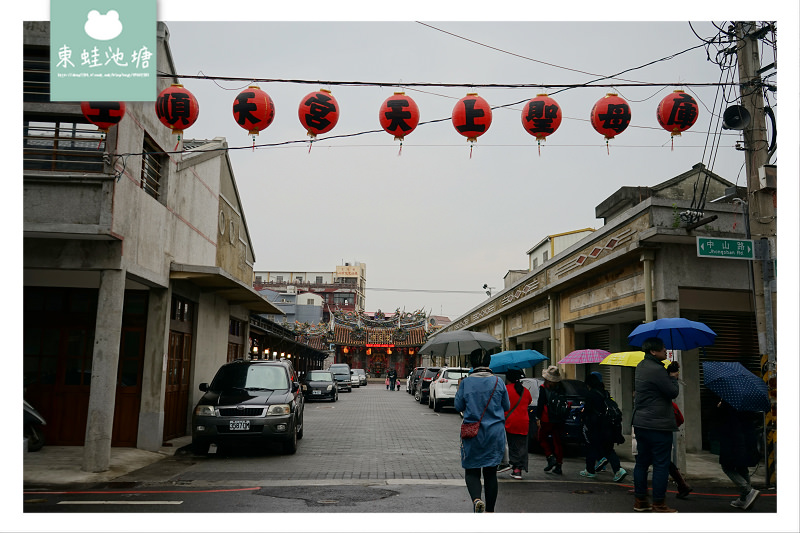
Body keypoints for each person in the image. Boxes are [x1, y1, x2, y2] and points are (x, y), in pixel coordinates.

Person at [454, 348, 510, 513]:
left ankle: (477, 500)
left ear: (472, 363)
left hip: (473, 433)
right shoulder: (498, 382)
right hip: (495, 433)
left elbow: (458, 406)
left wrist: (460, 388)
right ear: (488, 363)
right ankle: (490, 511)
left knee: (472, 470)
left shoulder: (466, 382)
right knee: (491, 473)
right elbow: (506, 406)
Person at [631, 337, 680, 513]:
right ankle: (659, 503)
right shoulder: (657, 369)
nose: (666, 350)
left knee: (642, 463)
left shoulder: (642, 366)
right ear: (653, 351)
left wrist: (666, 372)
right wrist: (673, 377)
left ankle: (640, 501)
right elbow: (672, 392)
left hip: (641, 423)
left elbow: (655, 387)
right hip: (658, 424)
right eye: (663, 348)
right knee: (661, 464)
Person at [579, 372, 628, 482]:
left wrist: (582, 415)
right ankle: (618, 470)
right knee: (609, 449)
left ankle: (590, 470)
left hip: (597, 427)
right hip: (609, 426)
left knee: (591, 447)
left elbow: (587, 410)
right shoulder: (605, 393)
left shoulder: (591, 395)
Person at [716, 399, 761, 510]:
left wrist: (720, 407)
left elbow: (723, 419)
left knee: (727, 466)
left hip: (733, 438)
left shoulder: (729, 400)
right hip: (747, 437)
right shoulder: (749, 401)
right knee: (742, 466)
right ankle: (743, 499)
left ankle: (748, 490)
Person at [534, 365, 567, 475]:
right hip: (560, 419)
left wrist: (537, 418)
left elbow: (540, 403)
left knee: (541, 438)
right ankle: (559, 465)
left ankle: (550, 456)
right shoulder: (562, 388)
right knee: (558, 442)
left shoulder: (544, 388)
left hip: (547, 418)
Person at [503, 369, 532, 480]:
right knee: (521, 446)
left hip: (509, 422)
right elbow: (528, 402)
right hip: (524, 422)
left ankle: (512, 466)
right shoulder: (525, 391)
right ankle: (518, 469)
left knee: (511, 445)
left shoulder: (505, 389)